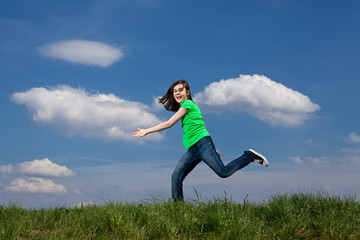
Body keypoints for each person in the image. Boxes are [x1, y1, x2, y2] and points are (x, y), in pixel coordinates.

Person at [132, 80, 269, 201]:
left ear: (187, 92)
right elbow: (199, 126)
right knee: (176, 176)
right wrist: (211, 148)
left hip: (202, 145)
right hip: (194, 149)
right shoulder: (187, 107)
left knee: (224, 172)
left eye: (180, 90)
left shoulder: (188, 104)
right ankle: (178, 210)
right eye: (175, 91)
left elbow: (169, 123)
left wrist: (147, 131)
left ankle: (249, 156)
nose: (177, 93)